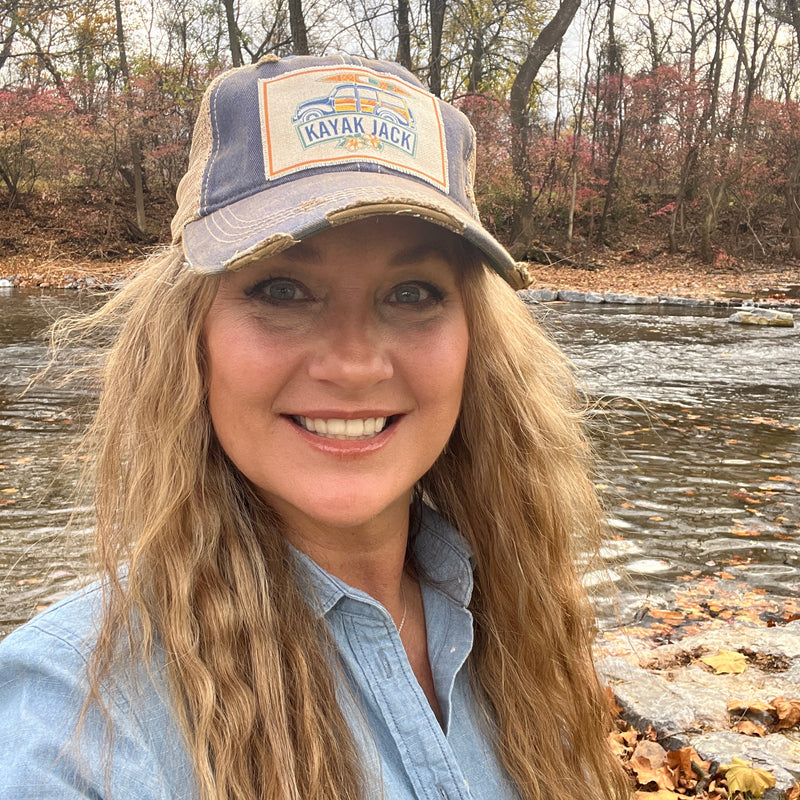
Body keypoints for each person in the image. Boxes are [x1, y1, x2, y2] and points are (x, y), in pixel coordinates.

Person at [0, 54, 631, 800]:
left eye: (412, 292)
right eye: (282, 287)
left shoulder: (526, 621)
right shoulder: (74, 719)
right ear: (188, 340)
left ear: (475, 345)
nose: (355, 365)